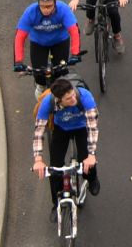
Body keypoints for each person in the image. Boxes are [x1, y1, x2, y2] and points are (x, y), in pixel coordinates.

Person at [32, 76, 101, 207]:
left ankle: (92, 179)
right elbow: (38, 131)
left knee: (86, 160)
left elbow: (92, 127)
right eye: (68, 99)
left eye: (73, 95)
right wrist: (38, 160)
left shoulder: (85, 97)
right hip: (61, 128)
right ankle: (56, 203)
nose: (73, 99)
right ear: (59, 100)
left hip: (82, 127)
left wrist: (91, 155)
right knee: (55, 166)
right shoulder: (48, 102)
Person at [13, 0, 82, 86]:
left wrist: (75, 54)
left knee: (61, 74)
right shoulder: (30, 12)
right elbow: (19, 37)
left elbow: (74, 30)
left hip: (60, 42)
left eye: (49, 6)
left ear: (55, 3)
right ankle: (41, 90)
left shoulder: (63, 9)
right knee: (39, 77)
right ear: (38, 4)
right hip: (38, 43)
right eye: (42, 6)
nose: (46, 9)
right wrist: (18, 61)